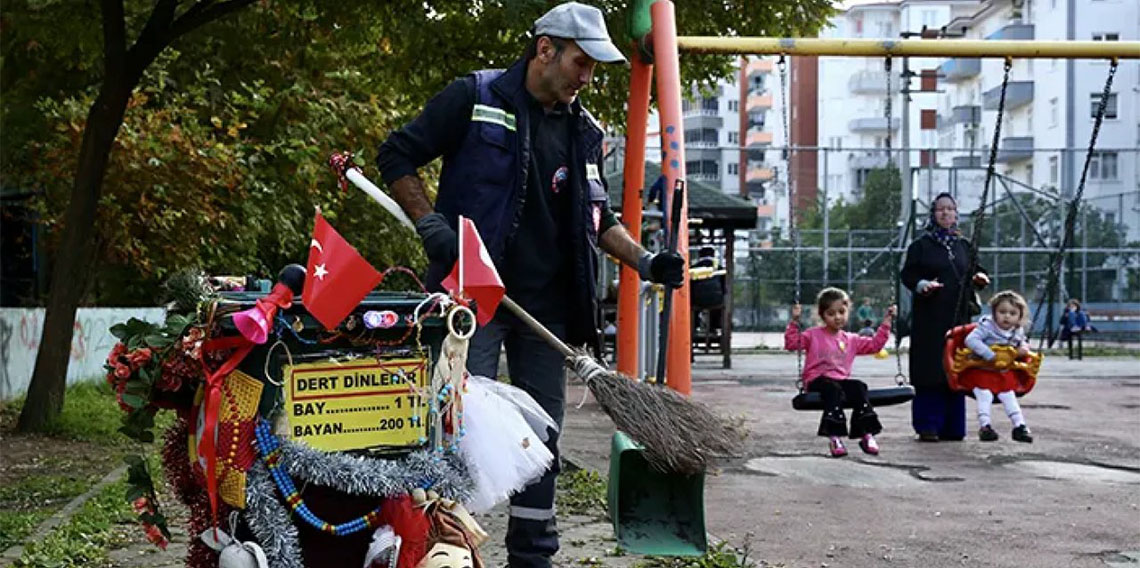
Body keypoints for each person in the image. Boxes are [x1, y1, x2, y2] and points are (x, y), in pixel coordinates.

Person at [375, 4, 685, 567]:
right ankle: (441, 551)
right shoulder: (474, 98)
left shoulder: (583, 130)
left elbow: (599, 220)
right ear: (545, 49)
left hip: (548, 308)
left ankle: (533, 555)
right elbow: (396, 155)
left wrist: (647, 260)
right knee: (456, 430)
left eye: (593, 67)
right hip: (473, 300)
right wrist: (431, 225)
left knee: (539, 441)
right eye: (580, 62)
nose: (586, 77)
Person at [900, 192, 990, 442]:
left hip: (958, 317)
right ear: (933, 213)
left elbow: (976, 270)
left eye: (950, 209)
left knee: (956, 368)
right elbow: (907, 275)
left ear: (956, 213)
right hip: (929, 318)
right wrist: (922, 285)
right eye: (940, 209)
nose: (945, 213)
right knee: (930, 369)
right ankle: (928, 425)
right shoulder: (921, 246)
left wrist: (980, 279)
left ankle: (953, 426)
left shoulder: (963, 246)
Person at [785, 287, 897, 457]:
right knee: (832, 389)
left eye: (841, 312)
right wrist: (794, 321)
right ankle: (834, 436)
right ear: (822, 315)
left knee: (859, 386)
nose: (837, 317)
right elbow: (792, 344)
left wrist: (887, 322)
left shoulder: (851, 339)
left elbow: (875, 345)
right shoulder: (812, 335)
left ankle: (866, 433)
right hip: (817, 380)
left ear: (847, 312)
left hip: (840, 380)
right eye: (831, 313)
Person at [963, 290, 1034, 443]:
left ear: (1019, 317)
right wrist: (989, 354)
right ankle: (985, 427)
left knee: (1009, 397)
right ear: (994, 312)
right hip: (982, 370)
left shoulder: (1017, 331)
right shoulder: (987, 327)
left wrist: (1023, 349)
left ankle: (1019, 426)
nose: (1007, 316)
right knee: (984, 395)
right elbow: (971, 340)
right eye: (1002, 312)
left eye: (1012, 313)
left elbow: (1022, 343)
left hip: (1003, 373)